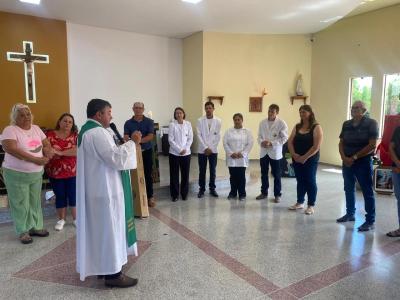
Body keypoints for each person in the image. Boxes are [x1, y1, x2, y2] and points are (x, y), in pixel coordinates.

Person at [76, 98, 141, 288]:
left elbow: (108, 155)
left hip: (97, 190)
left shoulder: (86, 131)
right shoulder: (97, 133)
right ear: (99, 114)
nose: (111, 116)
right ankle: (113, 275)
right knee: (110, 232)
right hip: (105, 192)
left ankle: (104, 268)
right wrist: (133, 143)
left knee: (102, 233)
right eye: (109, 112)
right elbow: (115, 159)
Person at [1, 103, 53, 244]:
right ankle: (23, 230)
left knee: (35, 202)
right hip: (16, 174)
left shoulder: (36, 128)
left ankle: (36, 227)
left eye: (28, 114)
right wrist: (36, 160)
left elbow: (46, 143)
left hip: (36, 173)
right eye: (22, 115)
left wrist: (47, 152)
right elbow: (11, 149)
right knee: (20, 203)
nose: (26, 117)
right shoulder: (10, 130)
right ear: (14, 117)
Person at [336, 101, 378, 232]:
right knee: (348, 188)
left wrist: (354, 157)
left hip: (363, 162)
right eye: (352, 107)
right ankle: (350, 214)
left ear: (364, 110)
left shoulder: (372, 123)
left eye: (357, 108)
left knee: (367, 191)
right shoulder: (346, 124)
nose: (353, 109)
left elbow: (372, 144)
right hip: (347, 161)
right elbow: (341, 142)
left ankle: (370, 220)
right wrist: (344, 157)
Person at [288, 105, 323, 215]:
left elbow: (316, 146)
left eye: (304, 112)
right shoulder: (297, 126)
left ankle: (311, 205)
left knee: (310, 180)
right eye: (300, 112)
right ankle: (300, 202)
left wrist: (304, 157)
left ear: (310, 113)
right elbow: (290, 141)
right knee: (300, 180)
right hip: (297, 157)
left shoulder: (316, 127)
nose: (301, 114)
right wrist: (293, 154)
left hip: (310, 159)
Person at [45, 113, 78, 231]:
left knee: (73, 195)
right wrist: (63, 152)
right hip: (55, 171)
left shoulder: (75, 136)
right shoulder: (49, 135)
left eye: (70, 122)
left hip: (73, 171)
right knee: (60, 195)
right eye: (65, 121)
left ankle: (75, 219)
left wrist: (60, 153)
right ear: (59, 122)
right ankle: (61, 219)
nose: (67, 123)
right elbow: (47, 149)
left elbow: (77, 150)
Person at [124, 101, 156, 207]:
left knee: (147, 174)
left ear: (143, 110)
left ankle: (150, 196)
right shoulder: (128, 123)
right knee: (133, 174)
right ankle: (135, 197)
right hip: (133, 152)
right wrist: (133, 141)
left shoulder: (149, 122)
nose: (138, 109)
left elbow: (151, 136)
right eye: (136, 108)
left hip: (146, 152)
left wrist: (138, 140)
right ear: (133, 109)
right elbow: (125, 137)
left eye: (140, 108)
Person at [256, 104, 288, 202]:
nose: (270, 113)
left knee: (277, 174)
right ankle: (264, 192)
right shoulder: (262, 123)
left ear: (277, 113)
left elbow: (285, 138)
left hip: (275, 152)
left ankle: (277, 195)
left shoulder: (281, 123)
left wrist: (272, 143)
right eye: (269, 111)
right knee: (264, 173)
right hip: (264, 152)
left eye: (272, 112)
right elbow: (259, 136)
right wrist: (262, 142)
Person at [223, 113, 254, 200]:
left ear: (242, 120)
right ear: (233, 121)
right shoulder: (228, 131)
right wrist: (231, 153)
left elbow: (250, 143)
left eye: (238, 119)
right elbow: (225, 143)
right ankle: (232, 193)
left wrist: (243, 153)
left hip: (242, 158)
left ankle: (242, 194)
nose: (237, 121)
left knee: (241, 176)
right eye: (235, 120)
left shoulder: (247, 131)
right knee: (232, 176)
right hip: (231, 157)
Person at [197, 101, 221, 198]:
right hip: (202, 150)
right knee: (202, 170)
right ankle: (201, 189)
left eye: (210, 108)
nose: (208, 110)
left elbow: (218, 136)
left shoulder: (218, 121)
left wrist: (211, 148)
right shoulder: (200, 120)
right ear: (205, 109)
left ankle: (212, 189)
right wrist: (206, 148)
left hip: (213, 150)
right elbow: (199, 135)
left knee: (213, 170)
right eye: (206, 108)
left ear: (213, 109)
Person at [168, 107, 193, 202]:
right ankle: (174, 195)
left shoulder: (188, 124)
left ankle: (184, 194)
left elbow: (190, 138)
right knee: (174, 174)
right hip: (174, 154)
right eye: (177, 113)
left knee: (185, 174)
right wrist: (179, 150)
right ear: (175, 115)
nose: (179, 114)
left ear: (183, 114)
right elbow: (170, 140)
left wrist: (185, 149)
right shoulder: (172, 125)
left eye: (180, 113)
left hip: (186, 154)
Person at [387, 126, 400, 237]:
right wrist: (398, 163)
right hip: (397, 169)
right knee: (399, 198)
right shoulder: (398, 129)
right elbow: (391, 147)